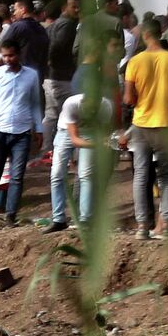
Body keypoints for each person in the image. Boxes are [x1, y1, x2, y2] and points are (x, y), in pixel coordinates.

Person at [122, 20, 168, 240]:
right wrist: (165, 98)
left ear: (146, 34)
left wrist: (141, 98)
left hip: (141, 124)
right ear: (159, 34)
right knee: (166, 176)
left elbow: (128, 99)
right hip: (166, 123)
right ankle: (166, 225)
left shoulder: (135, 61)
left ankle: (142, 227)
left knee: (141, 175)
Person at [0, 38, 43, 225]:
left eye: (11, 55)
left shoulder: (31, 75)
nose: (7, 59)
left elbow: (34, 103)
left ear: (19, 54)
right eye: (5, 55)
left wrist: (38, 128)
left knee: (17, 176)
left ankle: (10, 215)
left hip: (21, 132)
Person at [48, 87, 112, 233]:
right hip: (66, 132)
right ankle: (58, 219)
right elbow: (75, 140)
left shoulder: (106, 106)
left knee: (85, 175)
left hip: (90, 132)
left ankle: (85, 219)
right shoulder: (71, 104)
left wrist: (105, 141)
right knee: (57, 174)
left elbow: (104, 130)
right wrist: (99, 144)